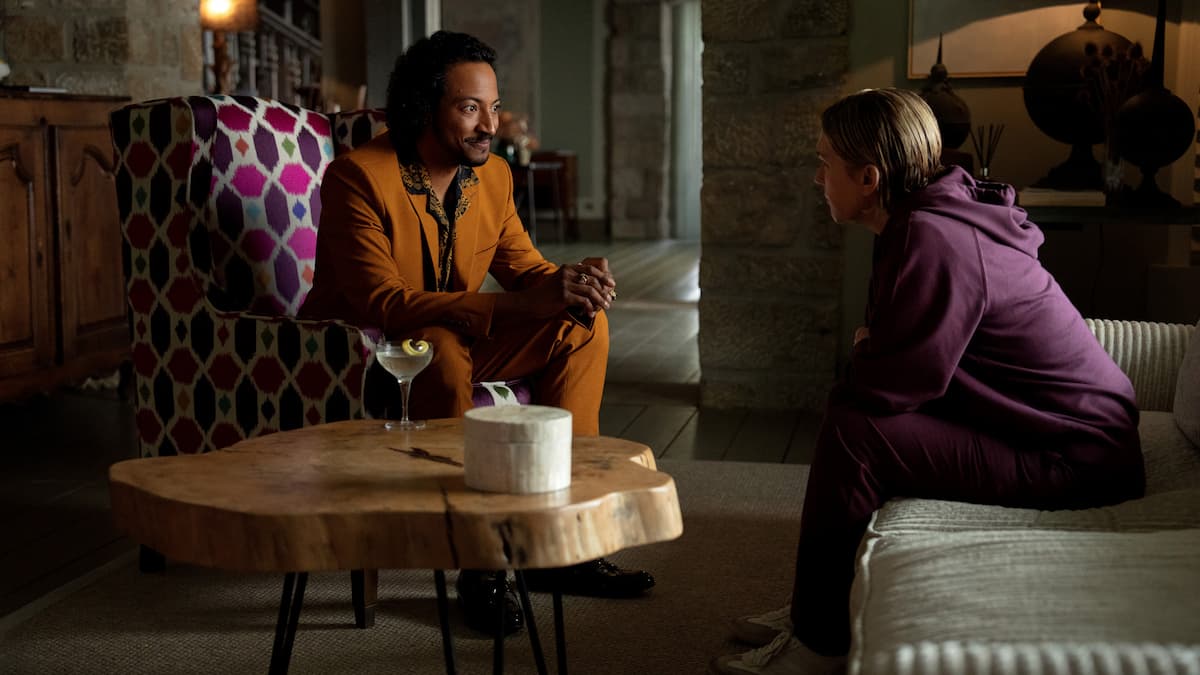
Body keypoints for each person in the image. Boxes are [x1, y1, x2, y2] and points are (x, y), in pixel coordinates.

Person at [711, 88, 1144, 674]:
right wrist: (873, 350)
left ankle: (818, 644)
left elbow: (893, 384)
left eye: (824, 164)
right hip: (1057, 435)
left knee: (854, 429)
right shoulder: (922, 218)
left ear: (867, 178)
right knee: (853, 414)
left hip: (1078, 458)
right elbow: (895, 356)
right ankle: (817, 608)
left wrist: (868, 350)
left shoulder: (932, 237)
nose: (817, 179)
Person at [299, 30, 654, 638]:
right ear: (423, 108)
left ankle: (558, 547)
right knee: (435, 349)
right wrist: (518, 303)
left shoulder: (491, 178)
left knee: (581, 329)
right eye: (470, 108)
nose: (489, 124)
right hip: (367, 352)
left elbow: (525, 267)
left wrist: (573, 280)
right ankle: (480, 564)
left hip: (461, 338)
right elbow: (385, 302)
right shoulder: (357, 178)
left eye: (493, 106)